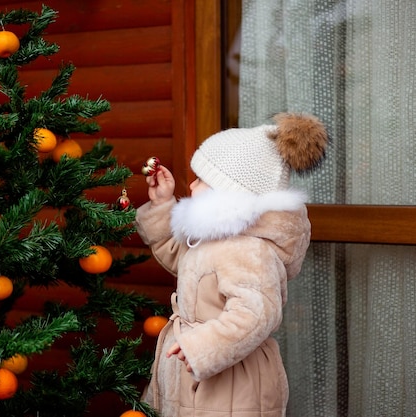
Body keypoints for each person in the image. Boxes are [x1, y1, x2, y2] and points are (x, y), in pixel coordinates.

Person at [135, 113, 328, 417]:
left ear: (229, 194)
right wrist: (162, 205)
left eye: (202, 180)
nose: (193, 184)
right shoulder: (218, 237)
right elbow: (186, 264)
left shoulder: (247, 249)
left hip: (230, 388)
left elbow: (255, 313)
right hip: (195, 372)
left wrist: (202, 346)